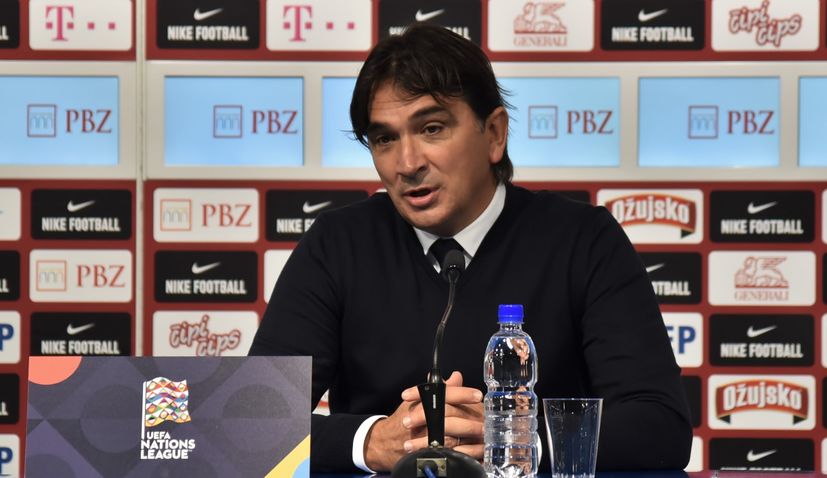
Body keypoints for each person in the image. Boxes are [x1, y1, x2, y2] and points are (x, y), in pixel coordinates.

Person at [250, 23, 692, 473]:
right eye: (385, 139)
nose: (408, 163)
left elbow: (660, 425)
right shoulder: (336, 244)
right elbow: (240, 424)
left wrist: (514, 439)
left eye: (432, 128)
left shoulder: (584, 239)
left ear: (494, 134)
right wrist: (372, 442)